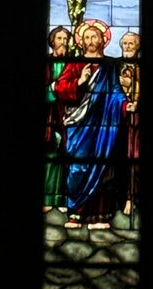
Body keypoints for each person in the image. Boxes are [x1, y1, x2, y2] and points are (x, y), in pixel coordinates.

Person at [54, 20, 127, 230]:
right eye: (86, 37)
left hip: (104, 127)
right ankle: (75, 214)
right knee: (77, 167)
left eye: (95, 36)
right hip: (79, 125)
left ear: (103, 40)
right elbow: (60, 88)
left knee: (103, 168)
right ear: (81, 42)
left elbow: (116, 91)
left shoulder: (110, 66)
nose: (91, 41)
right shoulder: (75, 64)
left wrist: (125, 104)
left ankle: (100, 215)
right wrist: (80, 81)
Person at [43, 26, 72, 212]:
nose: (63, 42)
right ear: (52, 41)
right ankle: (48, 198)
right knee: (51, 154)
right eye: (59, 38)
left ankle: (62, 199)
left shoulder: (73, 63)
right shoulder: (46, 63)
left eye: (66, 39)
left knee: (67, 155)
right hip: (49, 115)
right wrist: (53, 89)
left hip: (69, 114)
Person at [119, 32, 140, 217]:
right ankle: (122, 199)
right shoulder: (115, 67)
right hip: (118, 120)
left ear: (137, 46)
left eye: (131, 44)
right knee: (120, 159)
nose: (127, 47)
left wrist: (132, 86)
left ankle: (133, 198)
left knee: (135, 159)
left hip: (138, 121)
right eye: (124, 43)